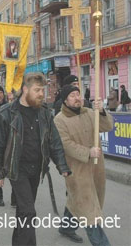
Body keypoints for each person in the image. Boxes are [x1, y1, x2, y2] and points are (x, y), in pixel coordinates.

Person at [0, 72, 71, 246]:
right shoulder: (6, 113)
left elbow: (54, 141)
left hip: (37, 169)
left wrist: (62, 165)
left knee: (23, 212)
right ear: (25, 90)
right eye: (37, 90)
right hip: (17, 169)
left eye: (43, 90)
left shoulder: (45, 113)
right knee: (28, 212)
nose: (41, 94)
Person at [54, 84, 114, 245]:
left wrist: (101, 111)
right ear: (65, 100)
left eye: (78, 94)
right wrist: (88, 152)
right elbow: (65, 144)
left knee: (77, 201)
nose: (77, 98)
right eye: (72, 95)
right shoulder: (59, 120)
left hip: (96, 168)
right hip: (77, 170)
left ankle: (66, 227)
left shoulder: (88, 112)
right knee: (89, 210)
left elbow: (107, 126)